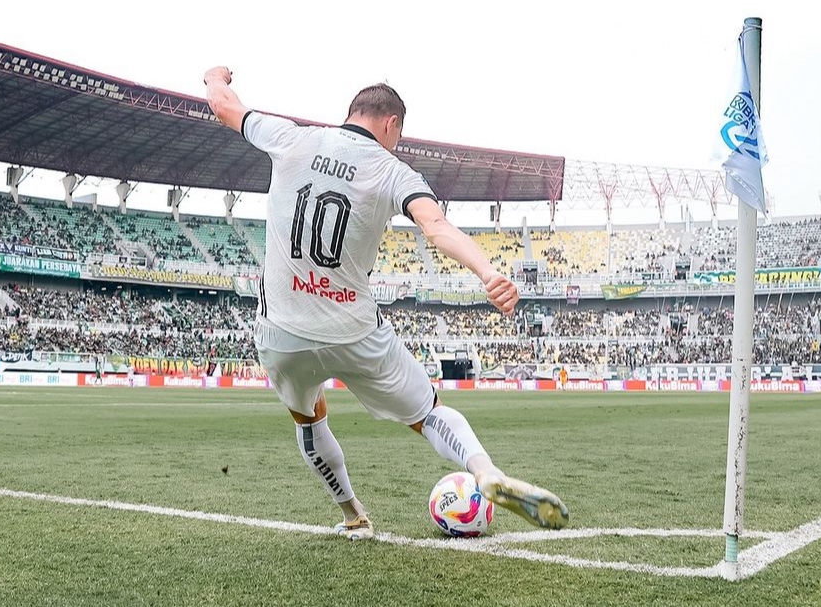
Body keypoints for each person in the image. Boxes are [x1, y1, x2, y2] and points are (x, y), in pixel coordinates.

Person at [205, 68, 568, 540]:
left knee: (308, 419)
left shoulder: (289, 137)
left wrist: (215, 75)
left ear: (352, 114)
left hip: (282, 332)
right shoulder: (393, 170)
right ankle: (485, 471)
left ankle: (353, 513)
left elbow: (223, 105)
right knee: (430, 414)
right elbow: (436, 228)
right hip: (355, 331)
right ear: (392, 124)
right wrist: (488, 272)